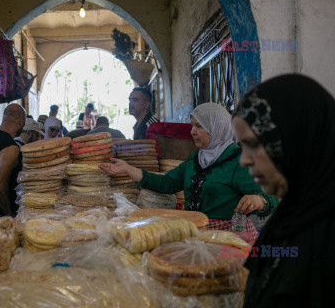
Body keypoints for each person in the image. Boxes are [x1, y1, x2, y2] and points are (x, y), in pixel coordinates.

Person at [232, 74, 335, 307]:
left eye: (254, 144)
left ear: (299, 137)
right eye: (242, 147)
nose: (244, 161)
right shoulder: (293, 214)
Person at [100, 102, 277, 239]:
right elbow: (167, 183)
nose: (192, 132)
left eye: (199, 126)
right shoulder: (195, 159)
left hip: (227, 236)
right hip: (195, 231)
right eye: (192, 125)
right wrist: (127, 168)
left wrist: (259, 200)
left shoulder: (239, 161)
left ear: (217, 128)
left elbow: (271, 198)